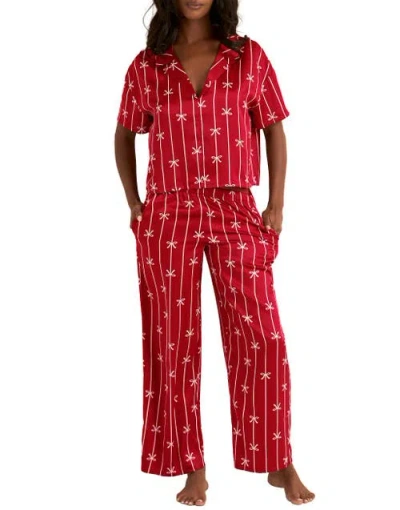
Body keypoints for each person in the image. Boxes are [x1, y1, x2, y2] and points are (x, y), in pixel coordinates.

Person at [114, 0, 315, 506]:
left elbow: (274, 128)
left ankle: (277, 459)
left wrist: (276, 205)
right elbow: (124, 134)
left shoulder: (247, 57)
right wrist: (135, 203)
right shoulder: (147, 65)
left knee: (261, 336)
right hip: (168, 212)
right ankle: (192, 467)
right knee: (172, 342)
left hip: (235, 206)